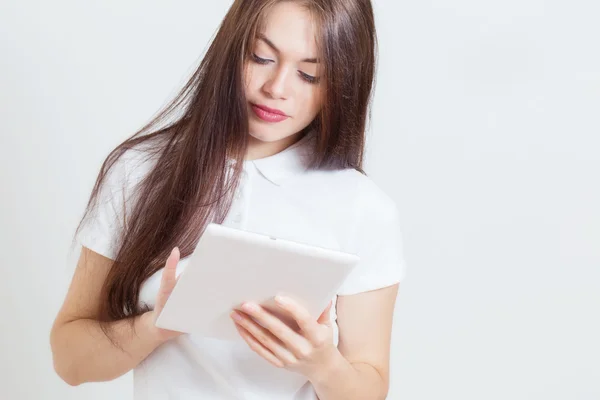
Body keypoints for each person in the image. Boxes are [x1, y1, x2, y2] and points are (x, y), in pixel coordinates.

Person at [50, 0, 407, 399]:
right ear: (231, 48)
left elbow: (370, 387)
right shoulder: (140, 171)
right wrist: (157, 327)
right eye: (261, 56)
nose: (276, 88)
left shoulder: (363, 208)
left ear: (341, 85)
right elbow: (70, 361)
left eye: (309, 75)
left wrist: (321, 364)